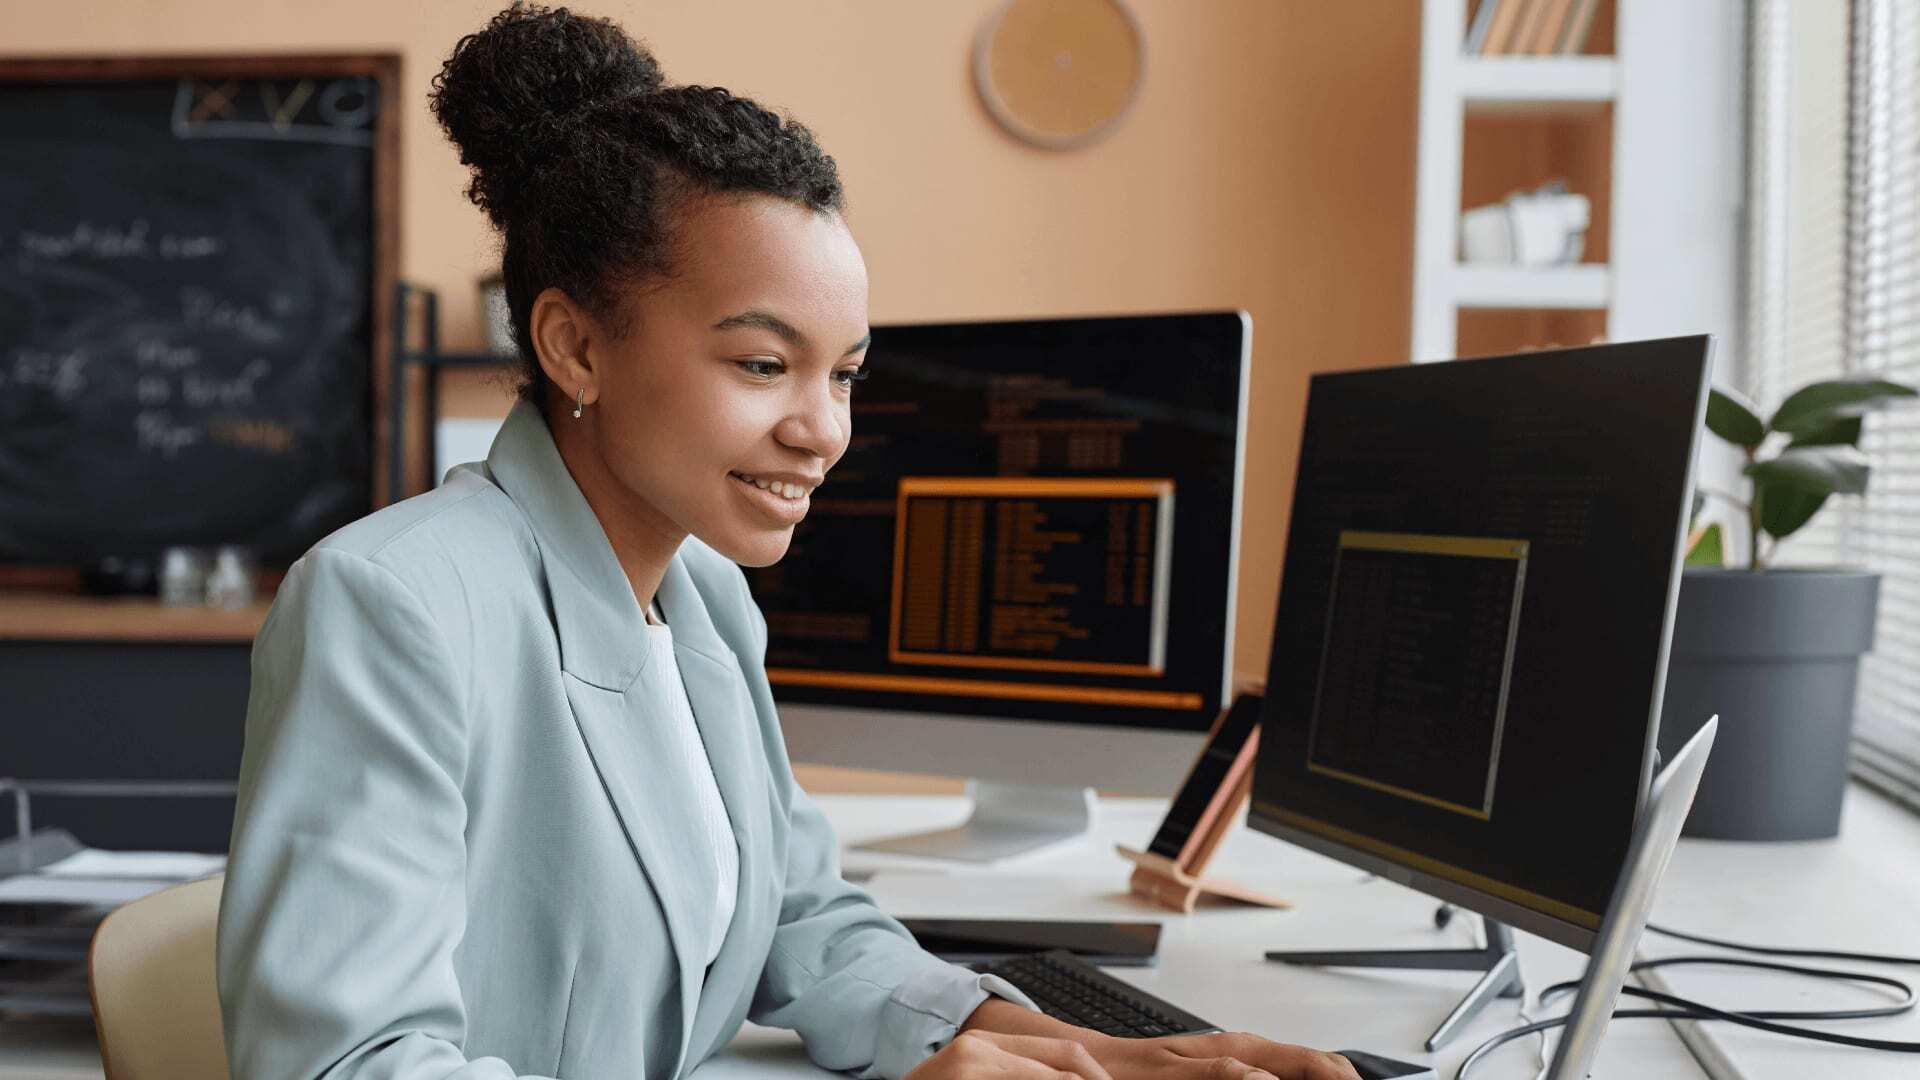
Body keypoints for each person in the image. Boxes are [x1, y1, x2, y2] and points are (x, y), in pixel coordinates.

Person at [213, 5, 1359, 1079]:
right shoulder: (391, 604)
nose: (824, 431)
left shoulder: (705, 595)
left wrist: (1077, 1049)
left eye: (846, 373)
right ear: (573, 347)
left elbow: (800, 917)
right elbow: (352, 1064)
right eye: (764, 365)